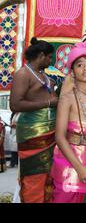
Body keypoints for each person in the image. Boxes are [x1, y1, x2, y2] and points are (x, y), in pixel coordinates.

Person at [51, 43, 86, 203]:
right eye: (80, 65)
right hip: (68, 162)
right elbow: (60, 137)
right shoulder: (67, 99)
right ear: (72, 70)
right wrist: (79, 168)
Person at [10, 37, 58, 203]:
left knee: (48, 176)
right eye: (49, 57)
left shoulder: (43, 76)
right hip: (32, 133)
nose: (50, 60)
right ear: (41, 55)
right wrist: (48, 102)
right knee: (34, 177)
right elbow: (15, 104)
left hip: (49, 132)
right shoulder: (23, 74)